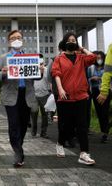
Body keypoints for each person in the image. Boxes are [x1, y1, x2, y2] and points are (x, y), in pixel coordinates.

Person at [0, 30, 43, 167]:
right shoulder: (4, 57)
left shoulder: (30, 57)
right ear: (9, 41)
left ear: (22, 40)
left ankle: (18, 148)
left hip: (26, 95)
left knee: (22, 124)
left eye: (19, 37)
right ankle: (18, 152)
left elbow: (37, 76)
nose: (16, 40)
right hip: (11, 95)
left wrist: (41, 71)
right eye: (13, 38)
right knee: (14, 124)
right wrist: (3, 73)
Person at [51, 32, 96, 165]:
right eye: (69, 40)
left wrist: (81, 49)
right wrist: (60, 89)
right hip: (66, 97)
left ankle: (84, 153)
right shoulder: (59, 59)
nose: (72, 42)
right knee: (66, 126)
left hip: (81, 96)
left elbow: (93, 57)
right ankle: (60, 143)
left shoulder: (81, 58)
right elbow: (56, 74)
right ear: (65, 42)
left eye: (74, 40)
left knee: (82, 126)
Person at [88, 51, 111, 143]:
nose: (99, 60)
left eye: (100, 58)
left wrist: (100, 78)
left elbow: (109, 78)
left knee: (105, 111)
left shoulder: (107, 68)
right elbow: (87, 78)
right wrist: (92, 79)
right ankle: (103, 131)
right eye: (97, 58)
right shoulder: (91, 68)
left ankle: (105, 132)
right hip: (95, 91)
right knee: (99, 112)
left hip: (105, 91)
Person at [31, 54, 51, 138]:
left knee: (45, 115)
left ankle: (44, 132)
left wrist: (43, 71)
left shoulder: (47, 71)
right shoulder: (32, 70)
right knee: (34, 113)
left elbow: (50, 81)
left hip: (45, 95)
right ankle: (34, 131)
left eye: (41, 63)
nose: (40, 65)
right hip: (34, 95)